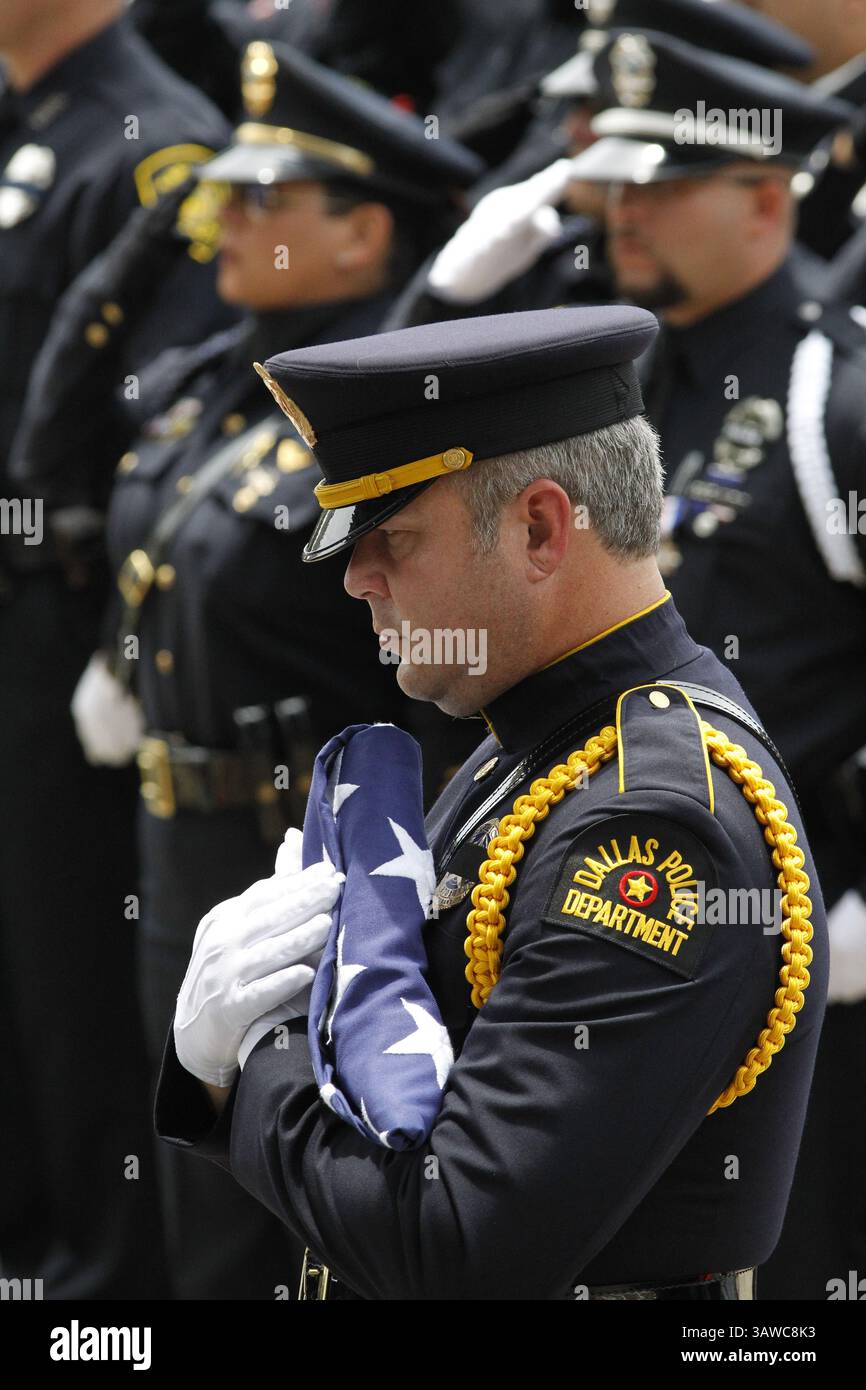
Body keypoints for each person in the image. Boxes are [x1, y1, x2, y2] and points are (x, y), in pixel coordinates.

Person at [152, 305, 828, 1300]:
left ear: (543, 528)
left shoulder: (654, 822)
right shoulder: (533, 740)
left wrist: (253, 1064)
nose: (356, 580)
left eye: (393, 537)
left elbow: (452, 1244)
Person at [74, 38, 482, 1300]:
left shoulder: (389, 409)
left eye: (267, 200)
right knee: (200, 1197)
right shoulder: (215, 381)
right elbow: (51, 443)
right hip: (178, 841)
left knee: (305, 1214)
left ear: (366, 234)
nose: (225, 220)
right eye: (223, 193)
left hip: (314, 865)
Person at [564, 29, 866, 1298]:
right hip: (624, 928)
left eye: (665, 186)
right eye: (619, 182)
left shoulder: (829, 395)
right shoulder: (615, 373)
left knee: (788, 1284)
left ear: (763, 193)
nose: (625, 210)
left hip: (809, 944)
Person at [0, 0, 229, 1299]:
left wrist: (119, 646)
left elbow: (165, 420)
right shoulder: (28, 126)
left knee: (72, 960)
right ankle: (29, 1245)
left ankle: (102, 1281)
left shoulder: (154, 147)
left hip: (61, 610)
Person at [385, 0, 816, 331]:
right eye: (578, 105)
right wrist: (440, 298)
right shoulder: (542, 254)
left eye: (602, 111)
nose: (574, 130)